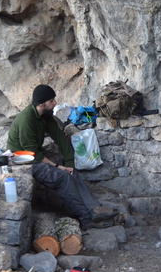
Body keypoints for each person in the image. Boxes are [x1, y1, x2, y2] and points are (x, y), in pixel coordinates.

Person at [6, 84, 116, 229]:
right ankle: (86, 219)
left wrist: (69, 164)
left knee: (71, 172)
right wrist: (57, 166)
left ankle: (94, 208)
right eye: (51, 101)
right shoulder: (27, 120)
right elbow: (33, 154)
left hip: (35, 157)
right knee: (63, 178)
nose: (55, 103)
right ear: (41, 104)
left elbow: (60, 138)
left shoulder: (45, 115)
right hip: (23, 162)